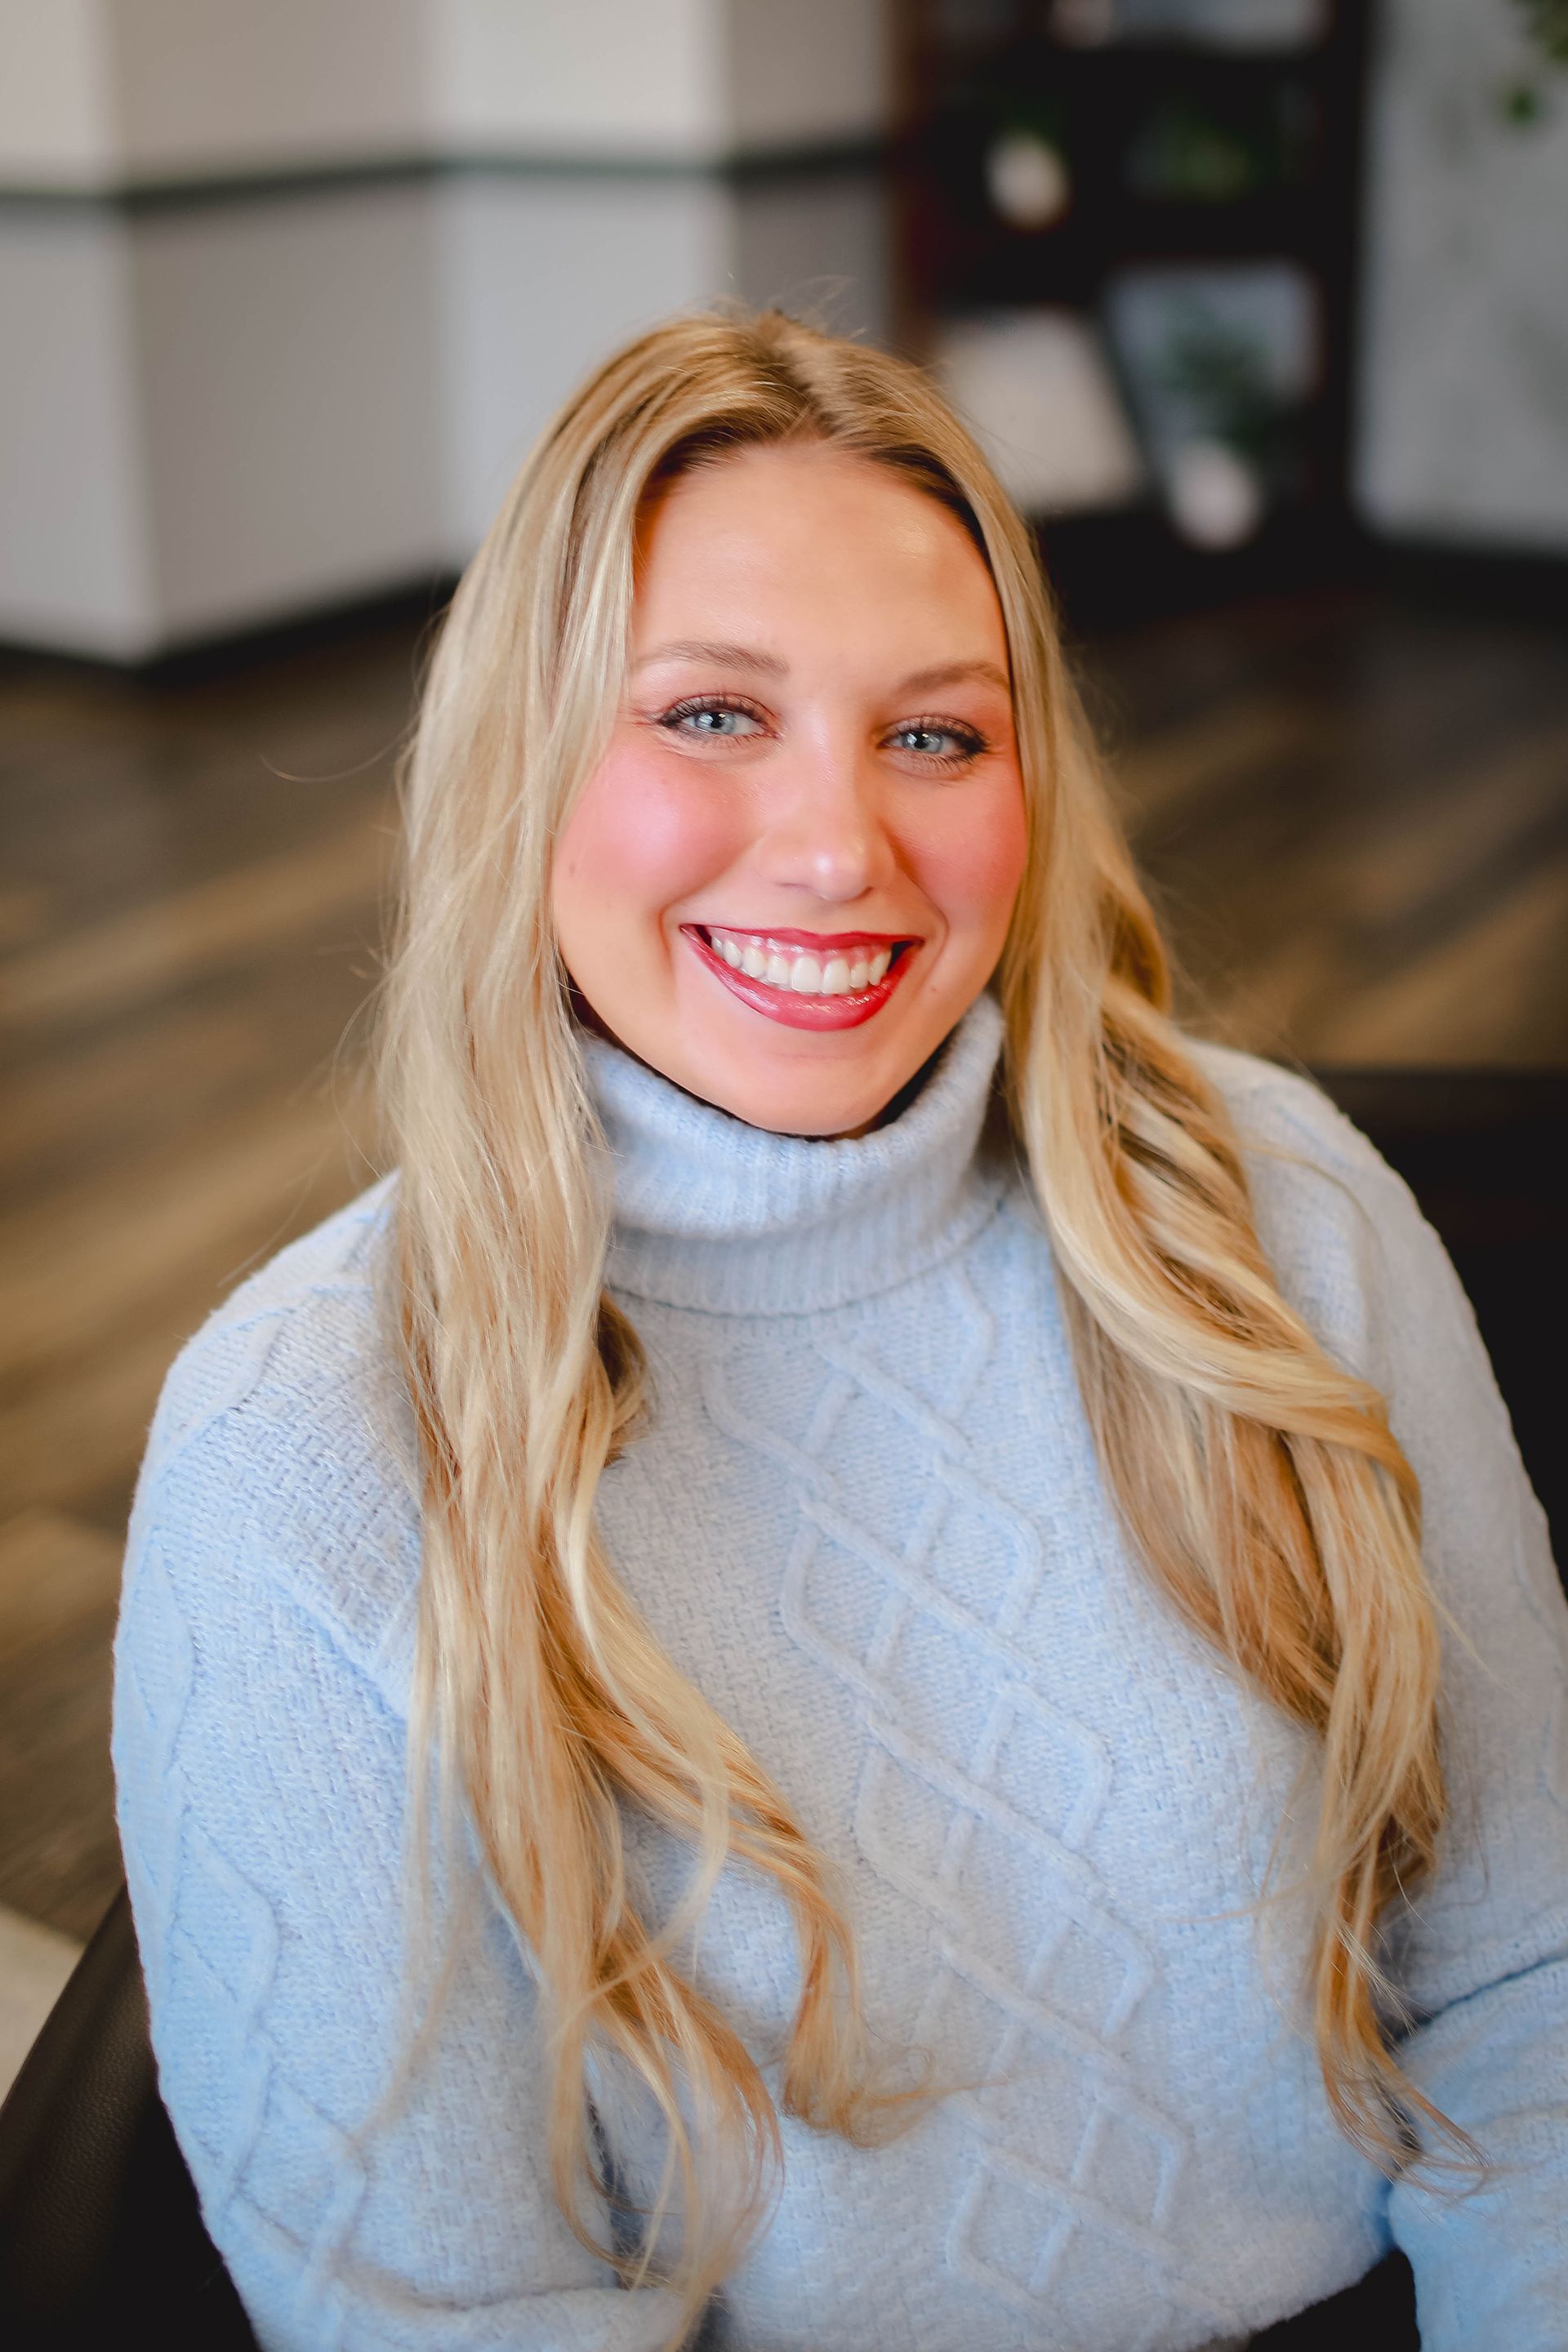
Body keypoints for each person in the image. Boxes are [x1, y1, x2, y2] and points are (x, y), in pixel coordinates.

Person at [112, 310, 1568, 2352]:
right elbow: (451, 2315)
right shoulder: (302, 1441)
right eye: (711, 715)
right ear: (526, 753)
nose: (836, 846)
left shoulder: (1286, 1217)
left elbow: (1532, 1991)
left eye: (937, 734)